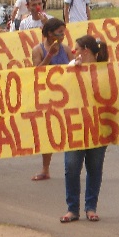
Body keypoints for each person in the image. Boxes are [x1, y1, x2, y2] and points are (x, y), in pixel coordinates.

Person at [60, 35, 109, 223]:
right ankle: (72, 208)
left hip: (98, 125)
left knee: (95, 167)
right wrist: (73, 69)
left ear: (86, 50)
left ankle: (91, 207)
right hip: (75, 126)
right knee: (72, 167)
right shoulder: (72, 67)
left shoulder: (106, 70)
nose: (75, 52)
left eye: (77, 49)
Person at [30, 18, 73, 181]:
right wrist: (50, 55)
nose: (62, 35)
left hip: (67, 95)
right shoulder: (38, 50)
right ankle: (45, 168)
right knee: (49, 132)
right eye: (59, 32)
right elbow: (37, 71)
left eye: (64, 32)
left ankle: (73, 167)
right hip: (48, 96)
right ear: (49, 33)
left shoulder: (67, 49)